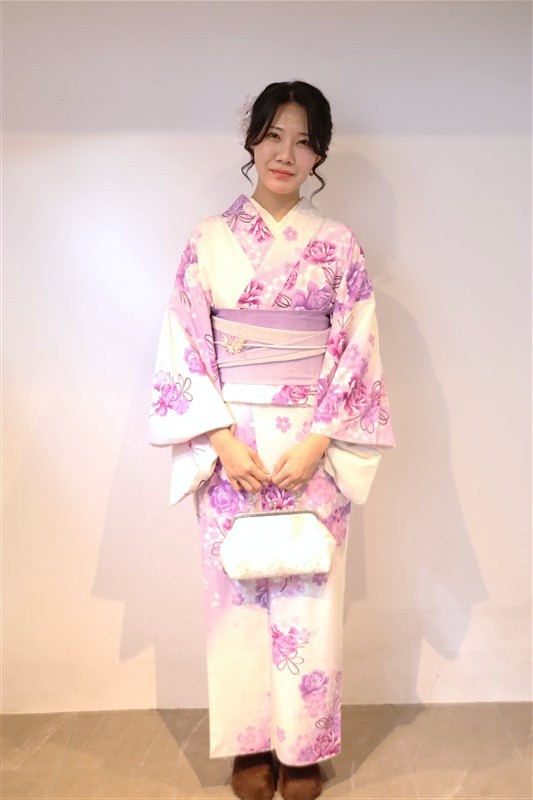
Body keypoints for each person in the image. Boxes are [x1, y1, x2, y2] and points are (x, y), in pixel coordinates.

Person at [148, 80, 396, 800]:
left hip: (311, 444)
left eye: (304, 140)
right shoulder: (207, 240)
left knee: (309, 592)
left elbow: (357, 348)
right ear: (252, 139)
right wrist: (221, 442)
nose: (286, 154)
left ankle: (303, 747)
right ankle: (251, 744)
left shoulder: (338, 245)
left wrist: (319, 442)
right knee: (236, 595)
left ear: (319, 153)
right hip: (234, 445)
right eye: (273, 135)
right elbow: (183, 345)